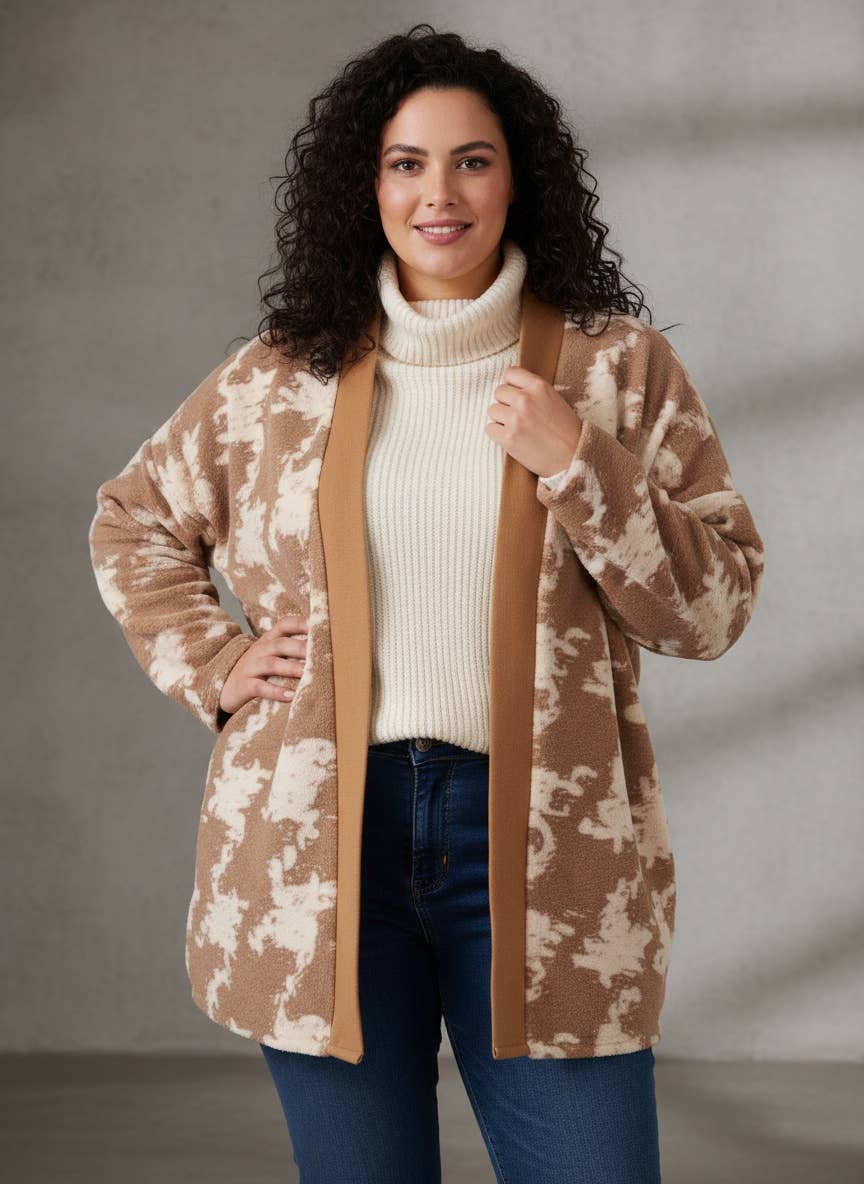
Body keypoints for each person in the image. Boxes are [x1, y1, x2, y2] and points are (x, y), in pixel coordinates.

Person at [89, 23, 765, 1184]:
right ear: (368, 185)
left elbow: (716, 606)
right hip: (320, 848)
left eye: (472, 160)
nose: (438, 193)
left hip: (546, 852)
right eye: (406, 162)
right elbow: (131, 518)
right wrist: (214, 659)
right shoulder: (279, 378)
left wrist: (580, 463)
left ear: (518, 178)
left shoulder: (616, 368)